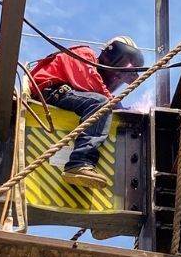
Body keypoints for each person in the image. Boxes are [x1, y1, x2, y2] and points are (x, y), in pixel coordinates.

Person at [29, 36, 145, 188]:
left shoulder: (92, 89)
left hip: (60, 97)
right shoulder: (85, 55)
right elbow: (93, 84)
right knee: (100, 103)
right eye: (123, 65)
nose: (119, 76)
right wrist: (119, 107)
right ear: (111, 54)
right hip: (49, 91)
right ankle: (80, 163)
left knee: (102, 104)